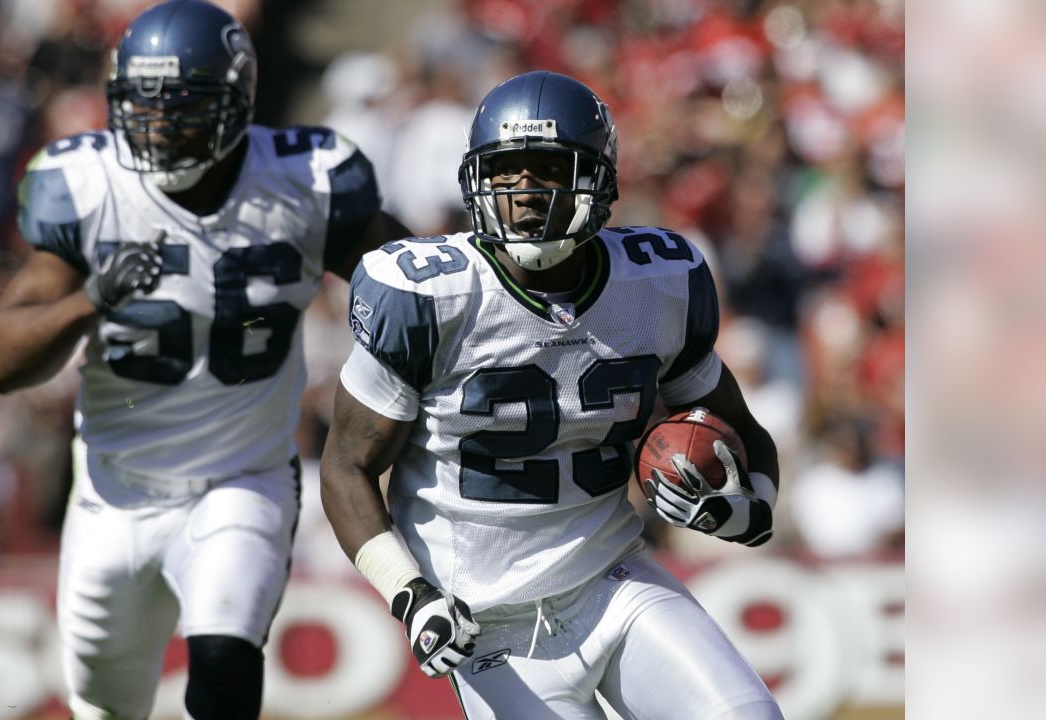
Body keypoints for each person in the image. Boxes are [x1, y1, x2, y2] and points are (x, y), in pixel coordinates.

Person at [0, 2, 410, 718]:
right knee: (105, 705)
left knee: (225, 657)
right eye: (140, 105)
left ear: (236, 99)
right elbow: (0, 359)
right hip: (112, 494)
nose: (156, 126)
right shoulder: (90, 186)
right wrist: (90, 300)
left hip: (241, 477)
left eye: (181, 106)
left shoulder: (305, 179)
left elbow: (414, 287)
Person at [320, 70, 784, 719]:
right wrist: (410, 594)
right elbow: (347, 466)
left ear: (601, 178)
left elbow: (738, 425)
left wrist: (748, 506)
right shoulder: (430, 296)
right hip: (485, 624)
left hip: (610, 580)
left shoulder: (658, 282)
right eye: (506, 172)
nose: (524, 191)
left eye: (547, 170)